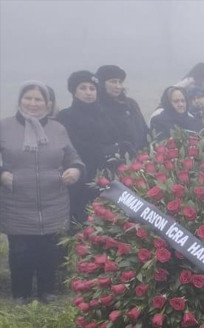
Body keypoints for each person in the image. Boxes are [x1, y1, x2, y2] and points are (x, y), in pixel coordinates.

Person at [0, 81, 84, 303]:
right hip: (17, 201)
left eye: (38, 99)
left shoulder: (58, 129)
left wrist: (75, 170)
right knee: (21, 251)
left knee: (49, 250)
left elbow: (73, 159)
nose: (33, 103)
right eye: (28, 98)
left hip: (53, 201)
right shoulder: (5, 127)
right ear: (19, 101)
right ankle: (21, 293)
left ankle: (47, 290)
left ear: (47, 103)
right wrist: (2, 173)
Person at [56, 71, 121, 224]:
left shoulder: (106, 114)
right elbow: (72, 147)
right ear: (74, 91)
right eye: (83, 88)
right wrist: (104, 151)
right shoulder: (66, 116)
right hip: (81, 180)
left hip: (109, 179)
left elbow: (117, 139)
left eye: (92, 88)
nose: (88, 93)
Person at [95, 64, 148, 156]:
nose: (118, 86)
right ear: (102, 84)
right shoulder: (97, 108)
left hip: (140, 159)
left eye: (120, 82)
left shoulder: (131, 105)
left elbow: (145, 131)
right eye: (113, 82)